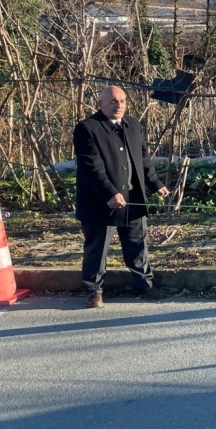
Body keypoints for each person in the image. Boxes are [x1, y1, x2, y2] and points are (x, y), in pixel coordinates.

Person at [73, 86, 170, 309]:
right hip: (100, 202)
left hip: (133, 197)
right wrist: (110, 192)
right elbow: (92, 167)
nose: (119, 106)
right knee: (97, 248)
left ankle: (144, 284)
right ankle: (93, 290)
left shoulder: (133, 125)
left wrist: (155, 184)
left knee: (137, 244)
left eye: (123, 101)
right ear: (101, 104)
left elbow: (143, 158)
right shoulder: (87, 128)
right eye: (113, 102)